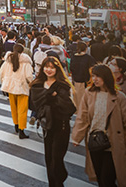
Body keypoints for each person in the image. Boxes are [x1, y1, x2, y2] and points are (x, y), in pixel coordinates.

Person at [71, 64, 126, 187]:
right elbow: (82, 117)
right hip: (95, 141)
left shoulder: (119, 97)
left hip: (113, 143)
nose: (95, 79)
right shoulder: (89, 93)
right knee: (100, 178)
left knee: (107, 179)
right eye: (93, 76)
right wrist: (77, 136)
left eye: (98, 76)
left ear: (107, 77)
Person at [29, 56, 77, 187]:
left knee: (57, 158)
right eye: (46, 67)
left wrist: (50, 99)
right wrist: (51, 96)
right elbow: (33, 104)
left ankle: (59, 181)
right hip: (46, 125)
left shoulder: (63, 85)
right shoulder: (37, 84)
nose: (48, 70)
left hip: (61, 125)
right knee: (49, 158)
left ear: (57, 69)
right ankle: (53, 183)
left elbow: (69, 107)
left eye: (52, 67)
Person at [0, 43, 33, 138]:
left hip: (10, 87)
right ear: (22, 51)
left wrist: (4, 82)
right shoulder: (26, 62)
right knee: (22, 110)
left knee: (14, 108)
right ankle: (22, 130)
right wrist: (31, 84)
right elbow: (29, 76)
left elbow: (1, 73)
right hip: (22, 87)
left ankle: (16, 125)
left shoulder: (8, 60)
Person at [70, 41, 96, 109]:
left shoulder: (73, 57)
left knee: (77, 100)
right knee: (85, 101)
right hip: (86, 81)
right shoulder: (88, 58)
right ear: (85, 49)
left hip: (76, 80)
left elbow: (71, 68)